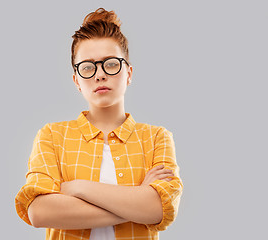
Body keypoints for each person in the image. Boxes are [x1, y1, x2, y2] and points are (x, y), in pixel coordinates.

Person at [15, 7, 183, 240]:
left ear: (129, 72)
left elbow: (160, 208)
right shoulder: (52, 135)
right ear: (76, 80)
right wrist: (138, 200)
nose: (99, 75)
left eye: (111, 63)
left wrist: (78, 187)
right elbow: (39, 211)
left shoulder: (156, 138)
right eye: (87, 67)